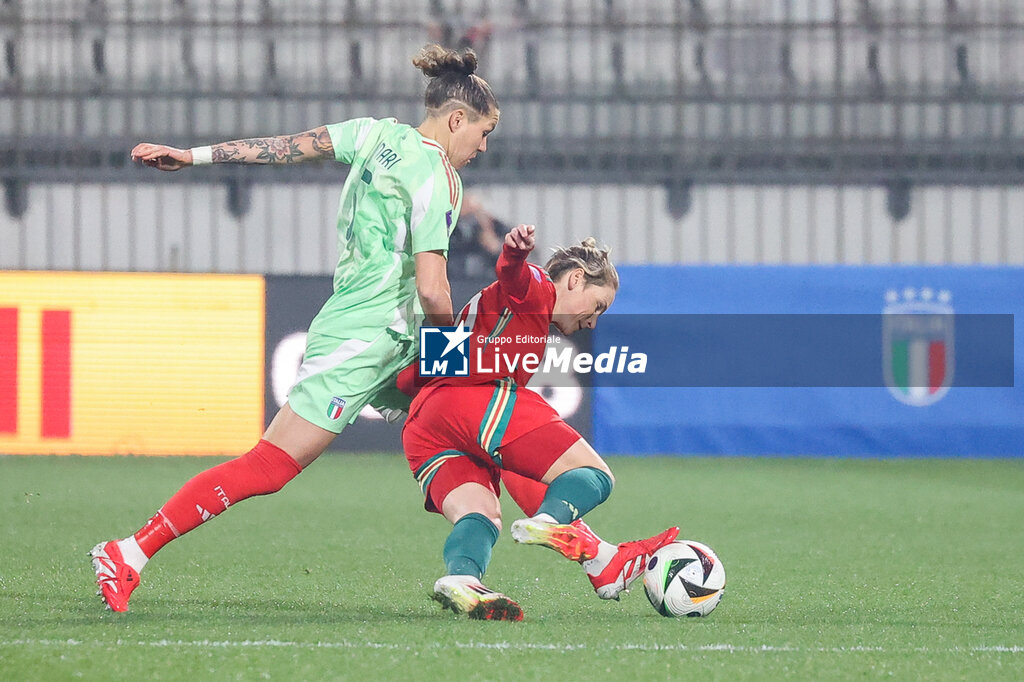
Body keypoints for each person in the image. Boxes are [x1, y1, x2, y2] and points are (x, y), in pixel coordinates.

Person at [90, 45, 500, 612]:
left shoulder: (373, 134)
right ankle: (128, 552)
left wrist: (194, 156)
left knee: (481, 423)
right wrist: (447, 360)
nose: (482, 148)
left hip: (387, 339)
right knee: (271, 465)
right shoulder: (438, 177)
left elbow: (281, 149)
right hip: (366, 341)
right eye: (482, 133)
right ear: (457, 119)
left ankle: (564, 556)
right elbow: (434, 288)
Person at [401, 224, 678, 620]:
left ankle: (463, 578)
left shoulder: (512, 326)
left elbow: (429, 366)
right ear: (576, 279)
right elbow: (515, 275)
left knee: (480, 514)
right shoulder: (539, 291)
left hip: (426, 425)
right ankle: (556, 526)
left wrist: (400, 387)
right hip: (472, 403)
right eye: (597, 306)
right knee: (594, 476)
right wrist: (514, 254)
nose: (593, 322)